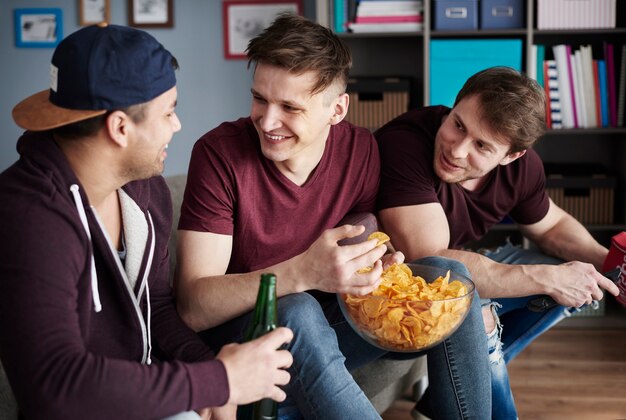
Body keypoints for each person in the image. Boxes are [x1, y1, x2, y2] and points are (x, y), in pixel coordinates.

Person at [175, 13, 492, 419]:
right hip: (248, 339)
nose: (267, 121)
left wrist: (380, 262)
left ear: (337, 110)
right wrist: (301, 272)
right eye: (259, 99)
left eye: (290, 107)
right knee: (296, 308)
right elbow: (192, 307)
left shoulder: (360, 150)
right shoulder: (218, 155)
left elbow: (371, 239)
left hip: (332, 328)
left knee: (451, 276)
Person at [0, 23, 293, 420]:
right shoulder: (29, 215)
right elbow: (55, 386)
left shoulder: (144, 191)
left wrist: (215, 380)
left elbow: (155, 308)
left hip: (149, 400)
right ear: (120, 127)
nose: (178, 125)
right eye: (169, 111)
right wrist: (218, 380)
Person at [375, 66, 621, 419]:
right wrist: (547, 279)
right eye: (458, 124)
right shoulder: (405, 145)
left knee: (579, 281)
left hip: (444, 277)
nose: (457, 150)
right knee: (482, 311)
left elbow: (551, 228)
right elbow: (432, 261)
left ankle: (437, 404)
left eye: (481, 146)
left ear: (512, 156)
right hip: (397, 295)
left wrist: (610, 265)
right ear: (453, 106)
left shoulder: (523, 169)